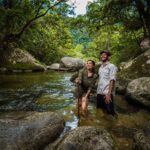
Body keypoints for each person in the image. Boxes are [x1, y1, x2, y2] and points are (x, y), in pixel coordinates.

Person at [97, 50, 117, 116]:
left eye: (105, 55)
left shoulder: (111, 66)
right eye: (102, 55)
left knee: (110, 112)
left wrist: (109, 94)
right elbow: (100, 80)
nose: (103, 56)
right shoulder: (100, 67)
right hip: (99, 92)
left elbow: (112, 80)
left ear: (108, 57)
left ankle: (115, 125)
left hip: (107, 93)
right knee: (101, 110)